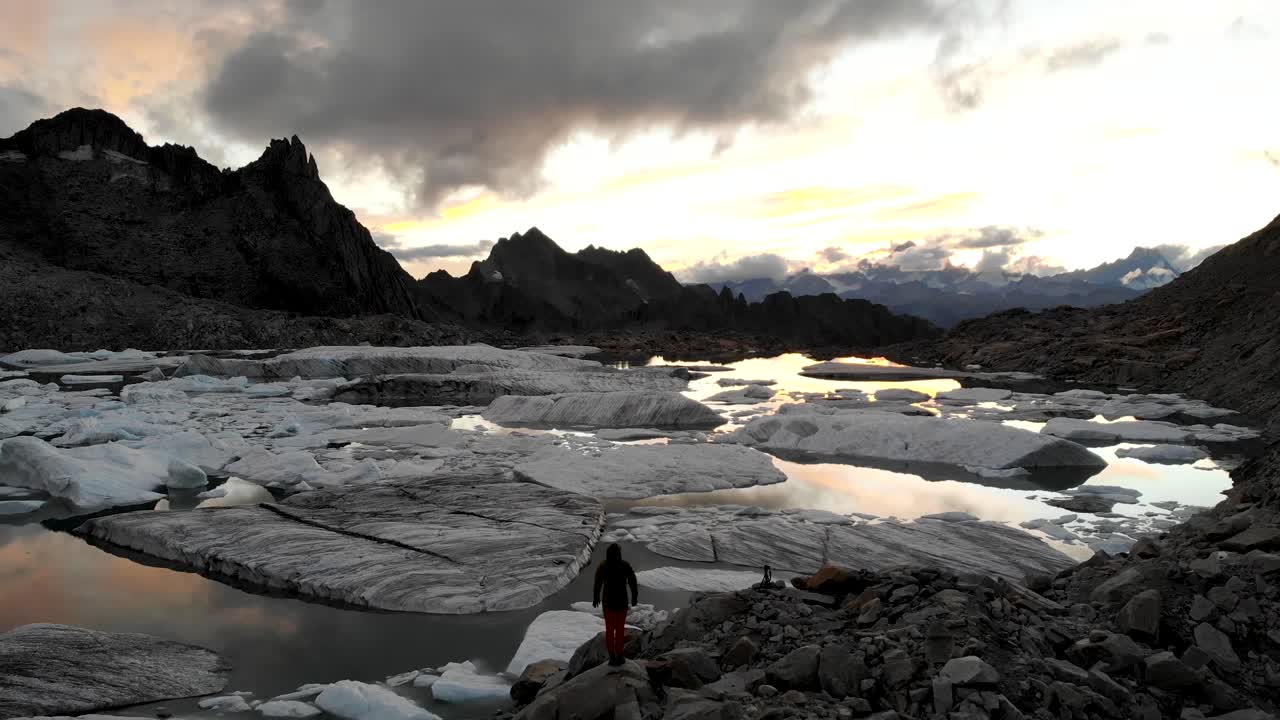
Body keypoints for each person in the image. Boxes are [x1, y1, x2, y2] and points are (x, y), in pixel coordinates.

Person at [592, 543, 638, 667]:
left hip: (610, 604)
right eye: (617, 554)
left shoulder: (604, 566)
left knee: (612, 631)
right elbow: (632, 581)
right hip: (619, 603)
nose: (618, 556)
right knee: (618, 631)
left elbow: (598, 582)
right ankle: (617, 655)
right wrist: (634, 597)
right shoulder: (624, 565)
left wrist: (596, 596)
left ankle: (614, 656)